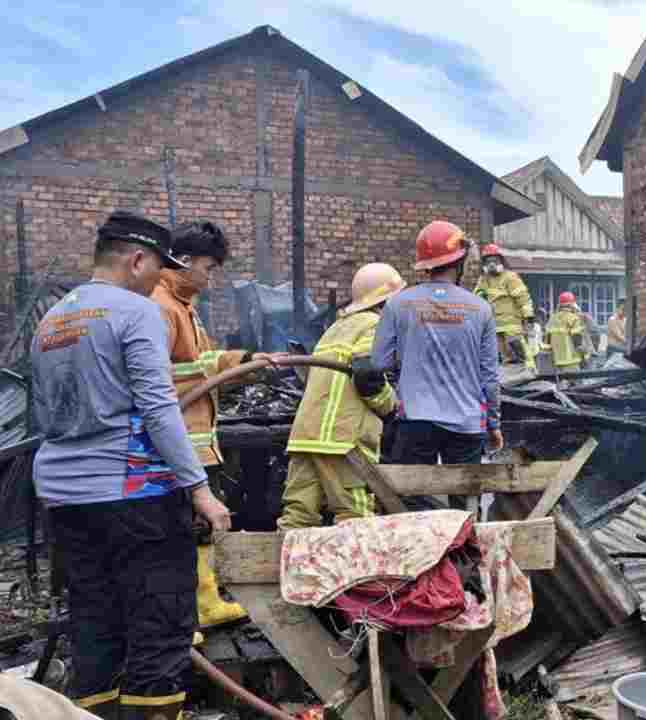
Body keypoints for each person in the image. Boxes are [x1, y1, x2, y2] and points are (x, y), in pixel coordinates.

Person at [31, 211, 232, 720]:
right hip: (134, 495)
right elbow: (159, 405)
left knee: (95, 618)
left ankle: (91, 714)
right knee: (160, 622)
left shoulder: (54, 319)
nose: (159, 279)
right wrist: (200, 489)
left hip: (65, 495)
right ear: (137, 259)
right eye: (157, 268)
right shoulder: (134, 311)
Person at [150, 220, 269, 630]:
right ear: (183, 261)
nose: (210, 278)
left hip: (196, 440)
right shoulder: (161, 305)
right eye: (208, 267)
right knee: (181, 529)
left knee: (201, 524)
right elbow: (159, 376)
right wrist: (227, 367)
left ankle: (205, 602)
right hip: (177, 440)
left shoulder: (183, 305)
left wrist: (237, 362)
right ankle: (186, 615)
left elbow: (197, 362)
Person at [371, 221, 503, 503]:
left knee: (409, 505)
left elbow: (379, 363)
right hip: (468, 424)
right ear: (460, 260)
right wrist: (493, 424)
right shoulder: (481, 309)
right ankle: (462, 547)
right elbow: (490, 377)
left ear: (425, 263)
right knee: (465, 508)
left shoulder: (398, 304)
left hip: (415, 420)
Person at [278, 263, 403, 529]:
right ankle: (359, 572)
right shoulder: (375, 325)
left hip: (305, 436)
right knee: (355, 517)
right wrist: (390, 406)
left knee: (298, 517)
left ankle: (286, 568)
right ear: (388, 300)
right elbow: (366, 374)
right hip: (343, 440)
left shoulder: (334, 328)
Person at [473, 243, 535, 369]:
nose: (491, 264)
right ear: (484, 263)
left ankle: (530, 372)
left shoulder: (510, 277)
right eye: (488, 261)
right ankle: (512, 379)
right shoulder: (484, 279)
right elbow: (476, 298)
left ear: (501, 261)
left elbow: (523, 298)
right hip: (494, 326)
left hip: (512, 326)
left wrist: (528, 317)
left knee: (520, 351)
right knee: (505, 357)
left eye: (494, 260)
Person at [545, 291, 591, 373]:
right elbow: (578, 343)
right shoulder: (573, 318)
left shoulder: (552, 319)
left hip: (556, 361)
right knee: (576, 384)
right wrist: (585, 356)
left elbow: (547, 342)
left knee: (561, 384)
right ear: (571, 305)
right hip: (572, 361)